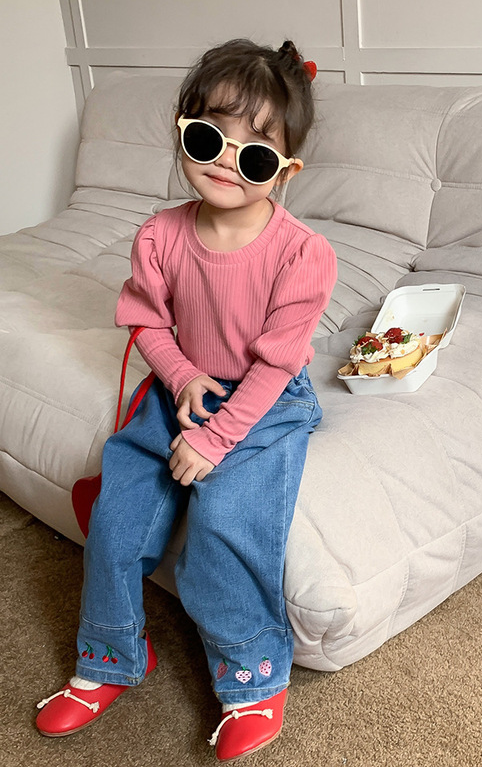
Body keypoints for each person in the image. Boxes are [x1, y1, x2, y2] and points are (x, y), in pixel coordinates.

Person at [35, 38, 337, 761]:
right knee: (116, 519)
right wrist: (178, 376)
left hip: (266, 402)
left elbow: (275, 364)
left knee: (225, 523)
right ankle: (109, 654)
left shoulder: (304, 254)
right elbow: (147, 322)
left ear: (286, 169)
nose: (226, 161)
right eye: (208, 138)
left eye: (254, 154)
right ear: (182, 134)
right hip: (182, 387)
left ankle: (253, 676)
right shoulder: (159, 235)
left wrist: (216, 437)